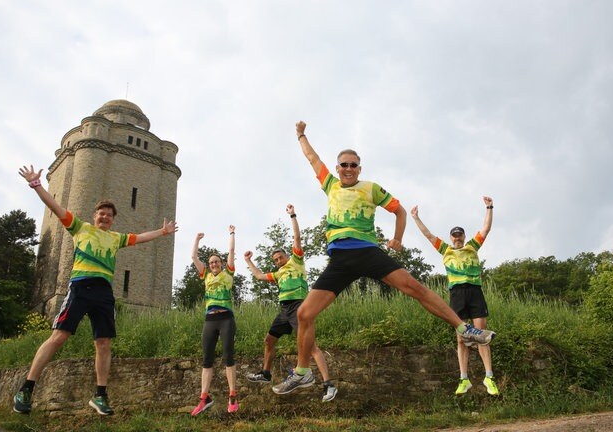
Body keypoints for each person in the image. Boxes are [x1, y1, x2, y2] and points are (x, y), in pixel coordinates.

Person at [271, 121, 495, 395]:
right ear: (338, 167)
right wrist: (301, 135)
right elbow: (311, 157)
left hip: (368, 252)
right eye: (344, 164)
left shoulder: (371, 188)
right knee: (305, 313)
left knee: (415, 288)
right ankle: (303, 373)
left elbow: (399, 211)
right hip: (340, 260)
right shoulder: (329, 184)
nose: (349, 169)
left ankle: (464, 329)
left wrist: (398, 238)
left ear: (360, 169)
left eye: (354, 165)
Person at [14, 165, 178, 416]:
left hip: (104, 293)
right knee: (58, 337)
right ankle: (27, 388)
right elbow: (55, 207)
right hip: (80, 287)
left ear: (113, 220)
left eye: (109, 215)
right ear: (94, 216)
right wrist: (36, 184)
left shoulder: (115, 238)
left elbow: (140, 237)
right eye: (101, 214)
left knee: (103, 343)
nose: (105, 217)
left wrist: (163, 232)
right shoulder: (80, 228)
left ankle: (100, 395)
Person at [244, 204, 338, 402]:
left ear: (287, 256)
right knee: (269, 340)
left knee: (310, 347)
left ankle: (328, 385)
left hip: (299, 307)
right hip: (284, 310)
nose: (278, 261)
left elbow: (297, 238)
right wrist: (249, 261)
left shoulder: (296, 261)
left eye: (280, 257)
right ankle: (266, 373)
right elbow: (260, 276)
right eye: (276, 259)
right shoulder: (278, 274)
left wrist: (293, 216)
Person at [411, 198, 499, 396]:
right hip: (457, 294)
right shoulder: (445, 249)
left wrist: (489, 207)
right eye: (454, 235)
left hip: (475, 291)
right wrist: (416, 218)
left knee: (481, 335)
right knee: (461, 338)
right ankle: (464, 379)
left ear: (464, 236)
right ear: (451, 238)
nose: (457, 238)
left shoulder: (472, 247)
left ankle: (489, 377)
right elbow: (428, 235)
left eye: (460, 235)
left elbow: (486, 228)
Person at [189, 227, 239, 416]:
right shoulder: (206, 275)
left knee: (228, 356)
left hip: (226, 318)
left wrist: (232, 234)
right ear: (209, 266)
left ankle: (233, 395)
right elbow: (194, 257)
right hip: (210, 320)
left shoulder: (229, 273)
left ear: (221, 263)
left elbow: (232, 252)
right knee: (207, 360)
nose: (214, 264)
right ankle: (204, 398)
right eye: (211, 262)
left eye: (217, 261)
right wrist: (197, 239)